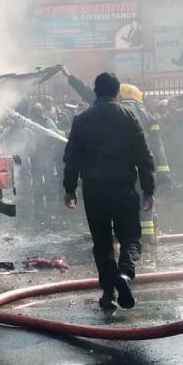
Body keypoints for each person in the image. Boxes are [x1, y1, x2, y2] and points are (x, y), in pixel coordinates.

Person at [62, 72, 156, 312]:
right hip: (124, 188)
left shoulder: (81, 119)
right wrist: (148, 189)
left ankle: (108, 293)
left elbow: (71, 159)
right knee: (130, 237)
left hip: (94, 191)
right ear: (116, 92)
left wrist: (70, 189)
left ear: (96, 91)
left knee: (102, 242)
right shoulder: (129, 116)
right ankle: (125, 273)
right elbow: (144, 156)